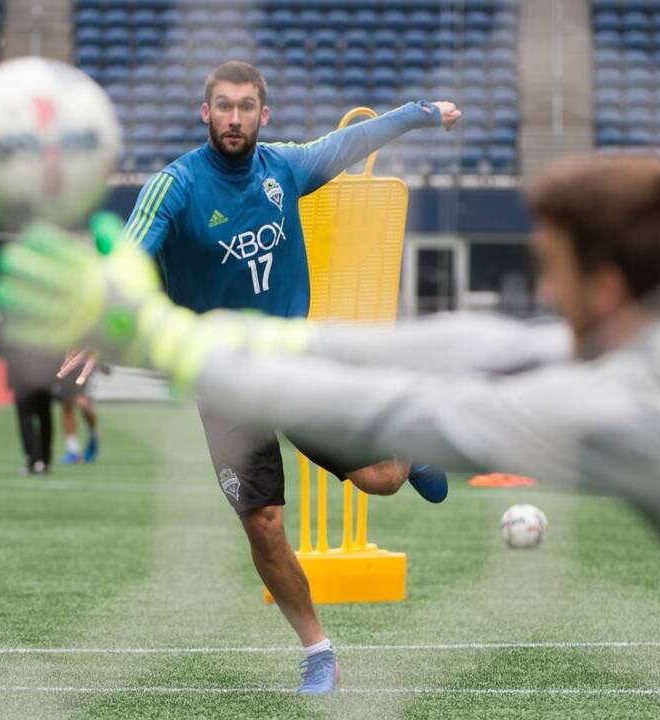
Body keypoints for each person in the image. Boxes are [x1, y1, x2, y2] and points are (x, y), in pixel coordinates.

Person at [0, 153, 660, 717]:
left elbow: (405, 409)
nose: (542, 292)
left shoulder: (642, 420)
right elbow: (483, 346)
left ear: (607, 287)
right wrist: (209, 333)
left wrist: (160, 340)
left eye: (551, 271)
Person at [62, 60, 460, 692]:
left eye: (246, 106)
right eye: (223, 105)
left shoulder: (286, 168)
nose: (234, 118)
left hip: (291, 365)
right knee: (263, 521)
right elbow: (129, 253)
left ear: (262, 115)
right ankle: (318, 653)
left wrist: (422, 113)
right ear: (205, 112)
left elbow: (353, 141)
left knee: (381, 480)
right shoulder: (175, 187)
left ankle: (407, 450)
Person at [0, 322, 60, 476]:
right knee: (45, 416)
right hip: (45, 375)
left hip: (21, 376)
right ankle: (45, 460)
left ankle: (33, 461)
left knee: (26, 417)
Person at [55, 367, 100, 464]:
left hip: (84, 365)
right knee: (67, 405)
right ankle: (73, 450)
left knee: (84, 404)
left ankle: (94, 433)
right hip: (65, 364)